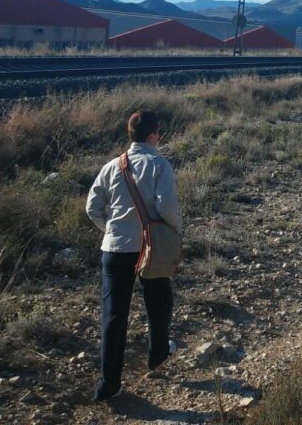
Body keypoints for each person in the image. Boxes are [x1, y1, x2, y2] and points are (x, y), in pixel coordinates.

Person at [85, 109, 182, 401]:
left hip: (114, 250)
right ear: (153, 135)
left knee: (113, 316)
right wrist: (176, 231)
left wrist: (111, 230)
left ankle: (108, 383)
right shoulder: (159, 165)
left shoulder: (112, 166)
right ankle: (157, 354)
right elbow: (165, 206)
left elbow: (92, 207)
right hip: (149, 248)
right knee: (159, 298)